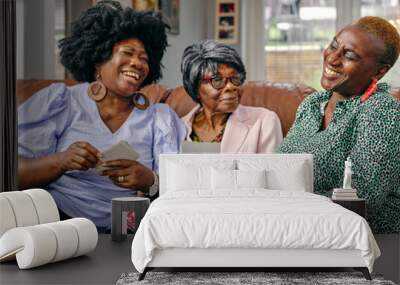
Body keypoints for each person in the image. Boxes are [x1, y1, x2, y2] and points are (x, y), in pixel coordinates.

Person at [17, 1, 185, 232]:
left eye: (144, 59)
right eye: (127, 53)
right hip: (59, 222)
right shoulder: (61, 102)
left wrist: (150, 181)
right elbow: (14, 174)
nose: (137, 63)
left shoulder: (160, 118)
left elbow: (183, 188)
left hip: (131, 228)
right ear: (99, 60)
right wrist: (61, 160)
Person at [279, 16, 400, 234]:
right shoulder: (312, 104)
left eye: (349, 55)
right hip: (300, 226)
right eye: (334, 45)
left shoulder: (381, 110)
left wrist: (284, 201)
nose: (333, 58)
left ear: (379, 72)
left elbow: (364, 199)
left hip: (367, 241)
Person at [180, 40, 283, 153]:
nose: (231, 86)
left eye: (235, 78)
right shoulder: (178, 128)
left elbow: (270, 169)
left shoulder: (264, 121)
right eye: (217, 80)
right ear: (195, 88)